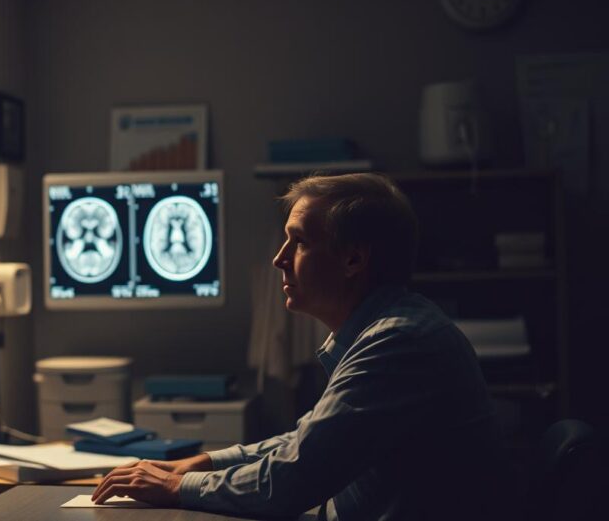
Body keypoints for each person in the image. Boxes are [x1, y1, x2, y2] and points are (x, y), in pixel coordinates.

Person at [93, 173, 503, 520]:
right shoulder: (384, 329)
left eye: (299, 241)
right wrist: (207, 462)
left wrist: (177, 485)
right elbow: (305, 442)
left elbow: (293, 478)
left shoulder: (396, 342)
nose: (279, 259)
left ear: (353, 261)